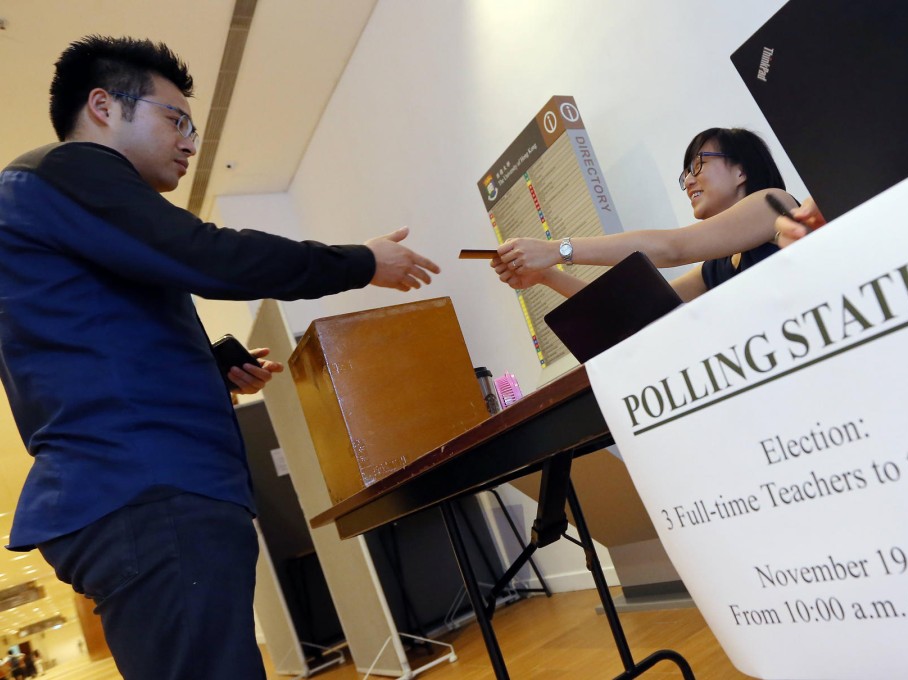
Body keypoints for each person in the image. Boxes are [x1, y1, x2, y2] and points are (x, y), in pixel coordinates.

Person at [0, 36, 440, 680]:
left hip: (138, 490)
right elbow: (211, 255)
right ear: (103, 105)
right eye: (174, 119)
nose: (188, 140)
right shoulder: (68, 172)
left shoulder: (50, 206)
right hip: (149, 490)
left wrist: (207, 369)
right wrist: (362, 261)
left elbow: (91, 347)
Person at [492, 127, 796, 302]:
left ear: (742, 170)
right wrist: (545, 275)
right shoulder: (714, 267)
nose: (688, 180)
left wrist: (555, 250)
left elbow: (673, 248)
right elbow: (628, 310)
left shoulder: (774, 203)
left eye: (698, 165)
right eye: (685, 173)